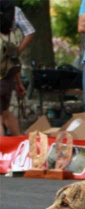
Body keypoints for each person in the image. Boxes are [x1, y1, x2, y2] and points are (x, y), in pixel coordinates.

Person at [0, 5, 34, 137]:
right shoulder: (11, 37)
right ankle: (21, 143)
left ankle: (1, 155)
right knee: (6, 113)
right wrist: (19, 83)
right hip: (8, 80)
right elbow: (14, 62)